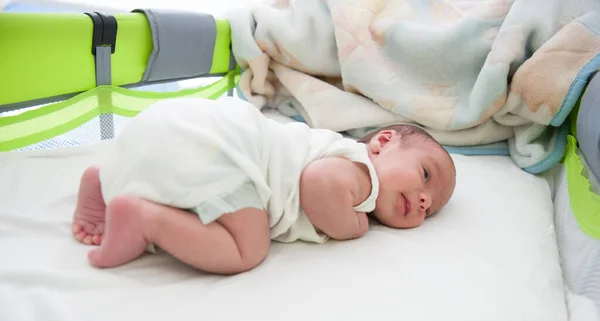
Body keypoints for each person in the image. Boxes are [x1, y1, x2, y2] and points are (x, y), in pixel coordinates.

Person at [72, 96, 456, 274]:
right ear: (383, 143)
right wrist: (351, 228)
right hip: (231, 154)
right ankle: (143, 219)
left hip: (187, 133)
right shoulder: (362, 174)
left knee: (190, 201)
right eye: (425, 175)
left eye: (431, 206)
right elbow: (319, 185)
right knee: (246, 249)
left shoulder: (337, 155)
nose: (424, 200)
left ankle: (104, 182)